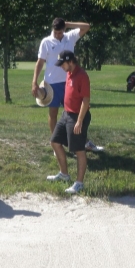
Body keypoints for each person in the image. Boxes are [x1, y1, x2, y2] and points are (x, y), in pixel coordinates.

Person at [31, 17, 99, 151]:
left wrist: (68, 24)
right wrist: (34, 81)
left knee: (75, 112)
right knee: (53, 113)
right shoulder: (46, 42)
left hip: (70, 81)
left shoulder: (70, 37)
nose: (58, 35)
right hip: (52, 83)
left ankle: (83, 141)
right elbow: (40, 62)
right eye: (56, 32)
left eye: (60, 32)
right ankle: (56, 144)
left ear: (64, 29)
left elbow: (87, 26)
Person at [46, 50, 91, 194]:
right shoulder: (69, 73)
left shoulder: (82, 76)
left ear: (70, 61)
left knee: (78, 150)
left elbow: (86, 100)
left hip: (77, 116)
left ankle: (79, 183)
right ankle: (64, 174)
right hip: (66, 114)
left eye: (62, 64)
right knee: (55, 142)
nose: (61, 67)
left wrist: (79, 121)